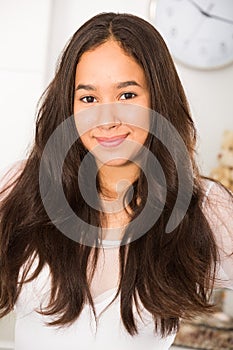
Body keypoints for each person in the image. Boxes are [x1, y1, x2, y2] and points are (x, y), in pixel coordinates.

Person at [0, 12, 232, 350]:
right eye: (89, 98)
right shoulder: (24, 188)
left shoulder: (204, 208)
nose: (106, 120)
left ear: (158, 98)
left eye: (127, 95)